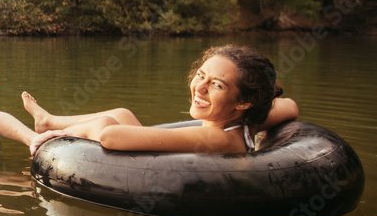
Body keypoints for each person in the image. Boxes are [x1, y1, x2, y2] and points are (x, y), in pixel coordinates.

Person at [23, 44, 299, 156]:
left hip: (150, 174)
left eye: (216, 84)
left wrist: (68, 134)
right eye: (200, 76)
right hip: (162, 161)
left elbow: (109, 137)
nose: (200, 88)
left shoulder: (219, 138)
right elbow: (290, 107)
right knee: (123, 112)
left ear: (243, 102)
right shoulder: (246, 120)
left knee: (108, 123)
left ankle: (55, 128)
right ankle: (47, 120)